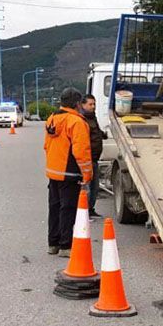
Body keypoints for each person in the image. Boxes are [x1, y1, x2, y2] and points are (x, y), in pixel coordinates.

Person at [44, 87, 93, 258]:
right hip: (70, 173)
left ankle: (53, 243)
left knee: (54, 208)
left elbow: (46, 146)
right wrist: (87, 175)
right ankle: (66, 246)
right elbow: (82, 151)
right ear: (77, 104)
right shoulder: (76, 122)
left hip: (53, 171)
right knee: (68, 208)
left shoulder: (52, 119)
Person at [80, 94, 107, 217]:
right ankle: (84, 212)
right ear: (83, 105)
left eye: (94, 104)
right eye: (90, 104)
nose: (93, 106)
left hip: (95, 159)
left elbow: (96, 132)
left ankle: (90, 209)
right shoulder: (82, 119)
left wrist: (103, 134)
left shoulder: (92, 117)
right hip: (87, 159)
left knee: (95, 187)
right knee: (87, 188)